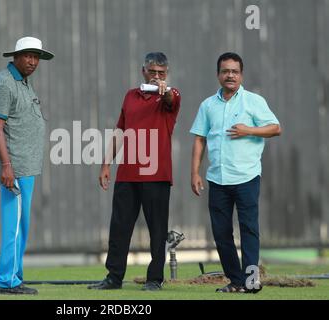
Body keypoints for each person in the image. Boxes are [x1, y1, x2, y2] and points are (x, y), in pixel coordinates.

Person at [88, 52, 181, 291]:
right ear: (143, 71)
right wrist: (106, 163)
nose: (157, 77)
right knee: (119, 227)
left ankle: (154, 279)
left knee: (157, 229)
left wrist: (165, 90)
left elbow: (171, 99)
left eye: (161, 73)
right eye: (153, 72)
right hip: (128, 173)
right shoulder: (130, 96)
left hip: (157, 174)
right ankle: (113, 277)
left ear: (166, 74)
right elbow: (120, 131)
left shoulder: (170, 95)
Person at [190, 52, 281, 293]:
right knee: (221, 233)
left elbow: (275, 128)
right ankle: (236, 281)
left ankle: (251, 281)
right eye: (225, 71)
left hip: (246, 177)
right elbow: (200, 139)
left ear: (241, 75)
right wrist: (195, 173)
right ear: (218, 74)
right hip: (217, 178)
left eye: (234, 71)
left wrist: (248, 130)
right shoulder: (207, 105)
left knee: (249, 229)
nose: (230, 75)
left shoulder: (253, 101)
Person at [0, 37, 54, 295]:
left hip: (26, 167)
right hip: (13, 168)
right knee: (13, 226)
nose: (33, 61)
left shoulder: (23, 82)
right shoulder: (5, 83)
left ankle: (15, 275)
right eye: (28, 55)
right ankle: (6, 281)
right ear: (15, 56)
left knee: (22, 226)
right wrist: (6, 165)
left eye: (37, 57)